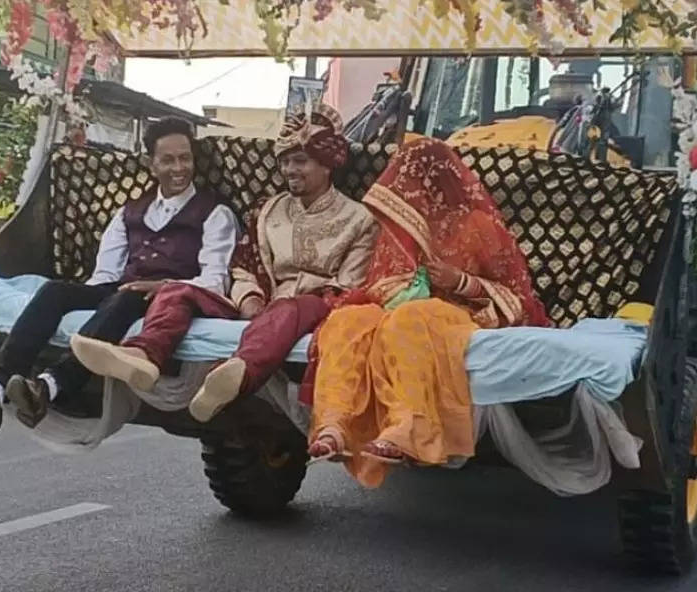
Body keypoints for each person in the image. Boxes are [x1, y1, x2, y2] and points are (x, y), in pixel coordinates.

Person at [70, 104, 379, 422]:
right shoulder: (269, 210)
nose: (289, 170)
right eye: (284, 162)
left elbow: (349, 288)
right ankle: (143, 354)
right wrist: (249, 298)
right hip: (255, 305)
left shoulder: (359, 219)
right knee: (177, 291)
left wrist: (292, 303)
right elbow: (243, 264)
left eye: (300, 161)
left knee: (288, 308)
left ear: (327, 164)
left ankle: (236, 374)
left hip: (316, 308)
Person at [0, 118, 239, 438]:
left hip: (175, 300)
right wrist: (84, 299)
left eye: (185, 158)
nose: (179, 168)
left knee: (125, 298)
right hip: (125, 289)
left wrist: (163, 287)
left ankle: (51, 386)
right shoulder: (131, 211)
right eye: (168, 160)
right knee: (55, 292)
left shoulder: (215, 213)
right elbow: (105, 273)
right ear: (152, 164)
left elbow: (216, 281)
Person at [305, 137, 550, 488]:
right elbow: (378, 282)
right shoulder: (399, 227)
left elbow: (519, 298)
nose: (410, 187)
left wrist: (461, 281)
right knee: (348, 320)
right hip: (398, 308)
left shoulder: (477, 225)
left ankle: (409, 427)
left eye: (417, 178)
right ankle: (336, 423)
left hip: (453, 312)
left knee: (410, 319)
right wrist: (396, 288)